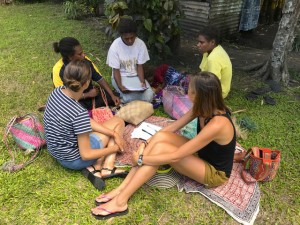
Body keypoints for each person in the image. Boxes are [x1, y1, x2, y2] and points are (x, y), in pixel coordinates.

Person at [90, 71, 236, 219]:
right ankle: (120, 189)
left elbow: (175, 156)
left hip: (214, 172)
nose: (186, 93)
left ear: (200, 96)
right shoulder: (202, 108)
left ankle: (121, 201)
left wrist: (141, 159)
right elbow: (172, 128)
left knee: (161, 149)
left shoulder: (218, 123)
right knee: (160, 136)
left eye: (189, 91)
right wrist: (145, 144)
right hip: (202, 153)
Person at [44, 61, 128, 191]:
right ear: (87, 83)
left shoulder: (57, 92)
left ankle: (97, 167)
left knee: (111, 129)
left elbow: (85, 121)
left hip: (56, 153)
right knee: (119, 122)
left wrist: (113, 134)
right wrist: (116, 147)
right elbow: (86, 155)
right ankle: (107, 167)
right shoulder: (78, 112)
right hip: (73, 160)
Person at [52, 37, 120, 110]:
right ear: (70, 57)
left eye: (82, 52)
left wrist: (112, 95)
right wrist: (87, 95)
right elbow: (64, 97)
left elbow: (99, 78)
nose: (83, 55)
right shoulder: (58, 70)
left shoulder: (85, 61)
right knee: (78, 111)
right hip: (74, 100)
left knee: (113, 97)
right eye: (80, 54)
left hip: (91, 95)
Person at [106, 18, 155, 104]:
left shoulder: (140, 44)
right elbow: (116, 70)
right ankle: (127, 97)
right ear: (121, 35)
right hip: (121, 77)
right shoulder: (115, 46)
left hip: (135, 76)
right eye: (126, 38)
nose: (130, 41)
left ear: (135, 34)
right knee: (128, 96)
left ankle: (128, 99)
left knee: (149, 96)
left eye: (132, 37)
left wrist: (142, 82)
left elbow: (140, 66)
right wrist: (120, 86)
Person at [197, 26, 232, 98]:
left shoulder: (213, 58)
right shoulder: (211, 50)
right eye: (198, 42)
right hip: (210, 86)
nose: (198, 45)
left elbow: (213, 83)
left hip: (217, 93)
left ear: (212, 42)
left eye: (201, 42)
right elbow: (202, 72)